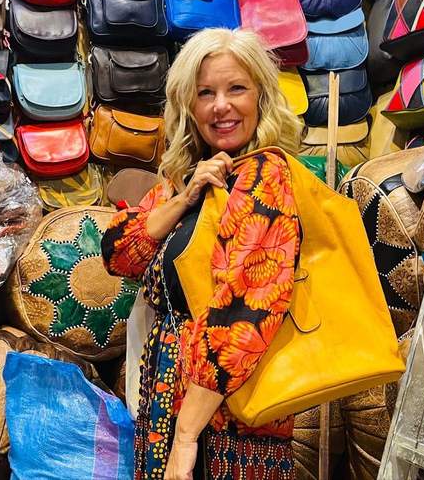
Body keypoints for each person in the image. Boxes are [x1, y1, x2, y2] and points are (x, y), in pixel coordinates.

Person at [102, 28, 303, 480]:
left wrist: (186, 436)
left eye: (237, 88)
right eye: (205, 93)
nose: (221, 106)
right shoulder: (184, 182)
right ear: (188, 107)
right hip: (167, 403)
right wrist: (184, 197)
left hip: (227, 419)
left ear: (262, 97)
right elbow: (119, 255)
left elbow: (244, 313)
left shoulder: (266, 176)